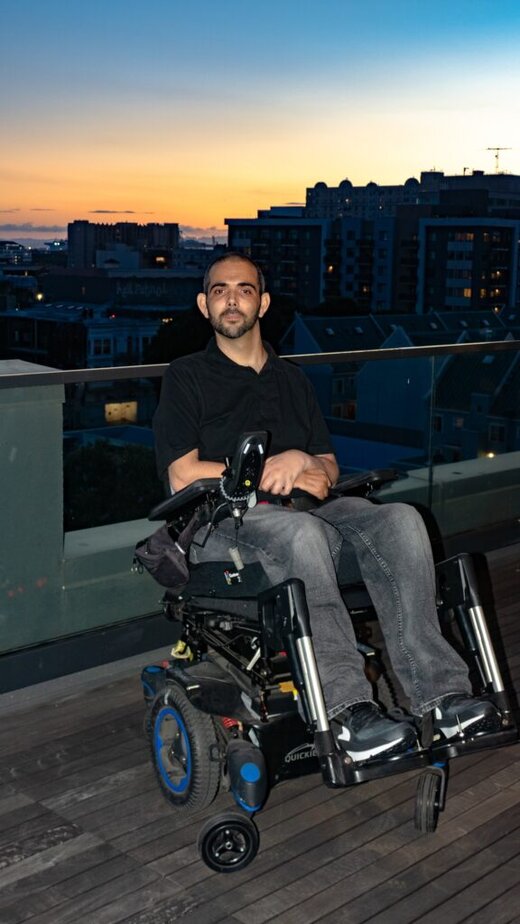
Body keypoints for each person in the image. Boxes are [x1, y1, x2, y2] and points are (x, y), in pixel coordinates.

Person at [153, 252, 500, 763]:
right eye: (221, 290)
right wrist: (280, 461)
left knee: (401, 520)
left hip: (306, 510)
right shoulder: (186, 376)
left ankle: (441, 696)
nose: (233, 299)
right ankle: (347, 713)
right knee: (303, 537)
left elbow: (329, 468)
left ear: (262, 303)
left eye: (245, 289)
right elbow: (182, 473)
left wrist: (309, 468)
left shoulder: (291, 380)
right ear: (205, 305)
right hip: (226, 519)